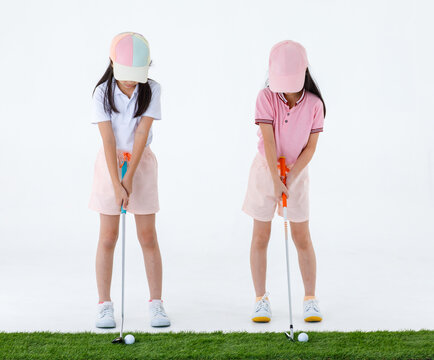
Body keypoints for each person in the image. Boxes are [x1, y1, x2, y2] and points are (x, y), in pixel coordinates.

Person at [88, 32, 170, 328]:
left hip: (141, 165)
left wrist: (130, 178)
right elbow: (108, 140)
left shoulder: (152, 90)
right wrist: (116, 183)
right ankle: (104, 304)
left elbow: (140, 135)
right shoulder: (102, 93)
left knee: (148, 237)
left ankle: (156, 303)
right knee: (108, 237)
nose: (131, 82)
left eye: (137, 75)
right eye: (127, 75)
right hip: (109, 167)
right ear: (113, 64)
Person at [242, 40, 326, 323]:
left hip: (297, 174)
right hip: (265, 171)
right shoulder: (265, 98)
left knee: (301, 237)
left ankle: (310, 298)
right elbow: (268, 140)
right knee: (261, 236)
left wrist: (290, 176)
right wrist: (276, 179)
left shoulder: (315, 105)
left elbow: (310, 148)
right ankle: (260, 299)